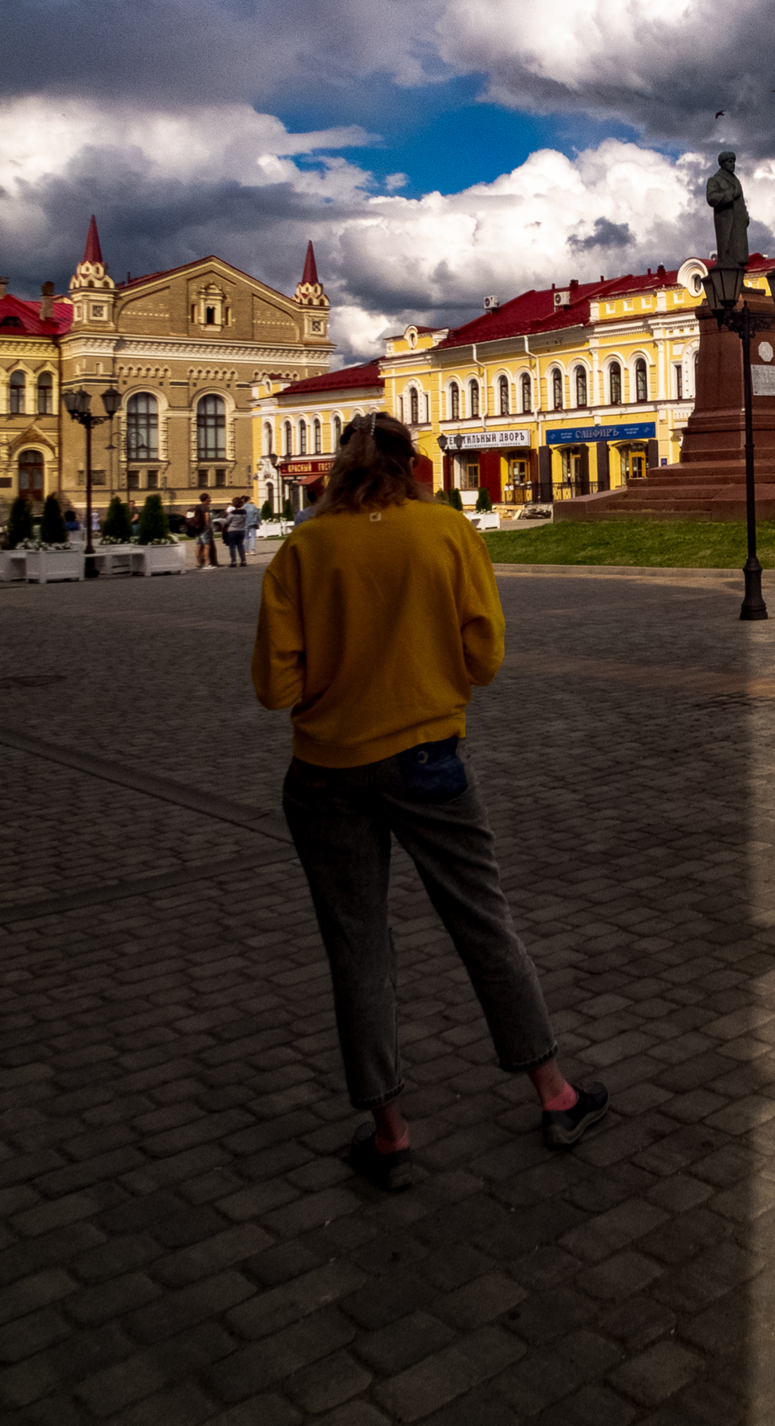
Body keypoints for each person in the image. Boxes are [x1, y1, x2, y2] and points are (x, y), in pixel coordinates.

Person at [252, 411, 606, 1192]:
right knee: (483, 923)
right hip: (429, 760)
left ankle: (390, 1134)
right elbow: (484, 658)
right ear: (412, 466)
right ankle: (555, 1094)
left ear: (338, 471)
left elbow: (274, 686)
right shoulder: (446, 533)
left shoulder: (305, 547)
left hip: (326, 771)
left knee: (358, 946)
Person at [189, 493, 218, 569]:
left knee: (198, 546)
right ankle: (206, 564)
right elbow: (207, 517)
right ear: (206, 499)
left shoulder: (197, 507)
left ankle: (198, 563)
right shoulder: (206, 507)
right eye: (209, 498)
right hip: (204, 529)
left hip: (198, 529)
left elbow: (194, 516)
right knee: (206, 546)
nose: (210, 500)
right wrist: (208, 526)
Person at [223, 496, 248, 567]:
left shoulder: (232, 513)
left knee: (232, 547)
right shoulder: (244, 512)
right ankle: (243, 561)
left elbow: (227, 521)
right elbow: (245, 520)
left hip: (232, 530)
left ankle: (233, 562)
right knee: (240, 546)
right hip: (241, 530)